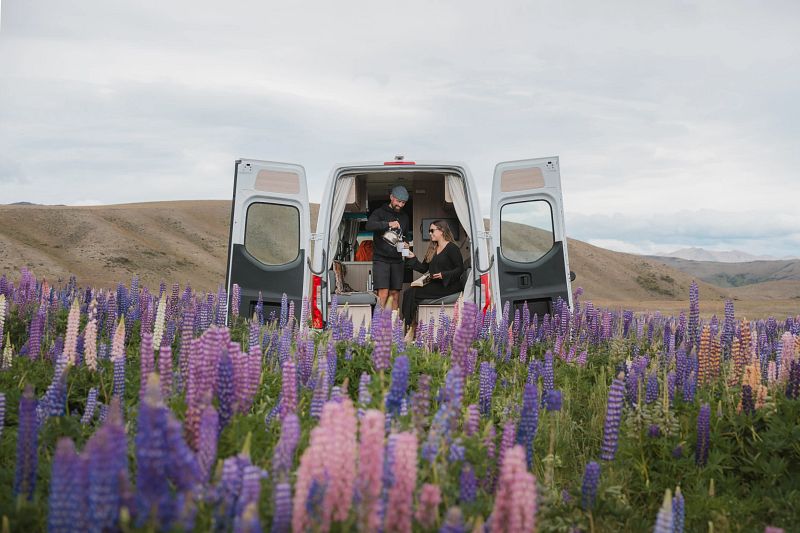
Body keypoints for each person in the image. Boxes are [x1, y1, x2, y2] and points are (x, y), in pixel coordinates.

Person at [402, 219, 464, 334]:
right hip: (436, 284)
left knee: (412, 293)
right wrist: (412, 257)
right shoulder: (432, 249)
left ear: (441, 231)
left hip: (448, 285)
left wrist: (443, 275)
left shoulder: (452, 248)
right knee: (408, 292)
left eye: (432, 230)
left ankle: (410, 326)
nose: (430, 233)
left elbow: (460, 269)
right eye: (429, 231)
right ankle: (410, 324)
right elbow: (423, 268)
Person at [365, 185, 410, 311]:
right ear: (391, 197)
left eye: (403, 202)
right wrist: (388, 224)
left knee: (395, 295)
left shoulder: (405, 217)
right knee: (383, 293)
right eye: (398, 201)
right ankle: (379, 327)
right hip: (381, 259)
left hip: (397, 261)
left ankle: (395, 327)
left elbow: (404, 238)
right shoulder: (379, 212)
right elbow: (369, 226)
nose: (400, 205)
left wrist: (406, 247)